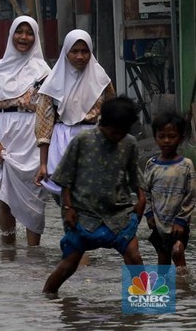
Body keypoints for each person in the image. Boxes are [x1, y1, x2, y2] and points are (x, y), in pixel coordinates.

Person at [42, 96, 145, 294]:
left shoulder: (129, 143)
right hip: (83, 213)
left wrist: (141, 199)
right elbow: (65, 177)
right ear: (103, 124)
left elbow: (134, 175)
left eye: (123, 133)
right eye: (114, 132)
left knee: (134, 257)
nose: (117, 137)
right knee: (69, 265)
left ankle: (145, 306)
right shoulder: (83, 140)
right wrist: (68, 208)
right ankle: (47, 299)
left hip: (118, 213)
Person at [0, 16, 51, 246]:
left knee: (34, 196)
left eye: (29, 33)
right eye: (19, 32)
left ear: (35, 37)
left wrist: (46, 147)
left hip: (32, 137)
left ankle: (33, 254)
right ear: (11, 35)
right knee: (4, 197)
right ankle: (7, 250)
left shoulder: (44, 72)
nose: (24, 37)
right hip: (3, 135)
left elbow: (49, 112)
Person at [34, 30, 116, 197]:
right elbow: (44, 126)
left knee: (92, 196)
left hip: (95, 141)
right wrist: (43, 164)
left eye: (85, 51)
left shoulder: (102, 80)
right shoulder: (52, 84)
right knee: (66, 198)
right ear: (66, 53)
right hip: (62, 142)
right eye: (75, 51)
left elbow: (112, 115)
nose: (80, 56)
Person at [144, 111, 196, 273]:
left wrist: (181, 220)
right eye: (162, 136)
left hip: (178, 223)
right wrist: (149, 214)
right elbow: (145, 192)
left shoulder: (186, 165)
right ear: (155, 137)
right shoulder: (151, 164)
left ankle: (184, 287)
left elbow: (191, 195)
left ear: (180, 138)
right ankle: (168, 292)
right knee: (163, 258)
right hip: (159, 223)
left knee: (177, 251)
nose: (166, 140)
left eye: (172, 136)